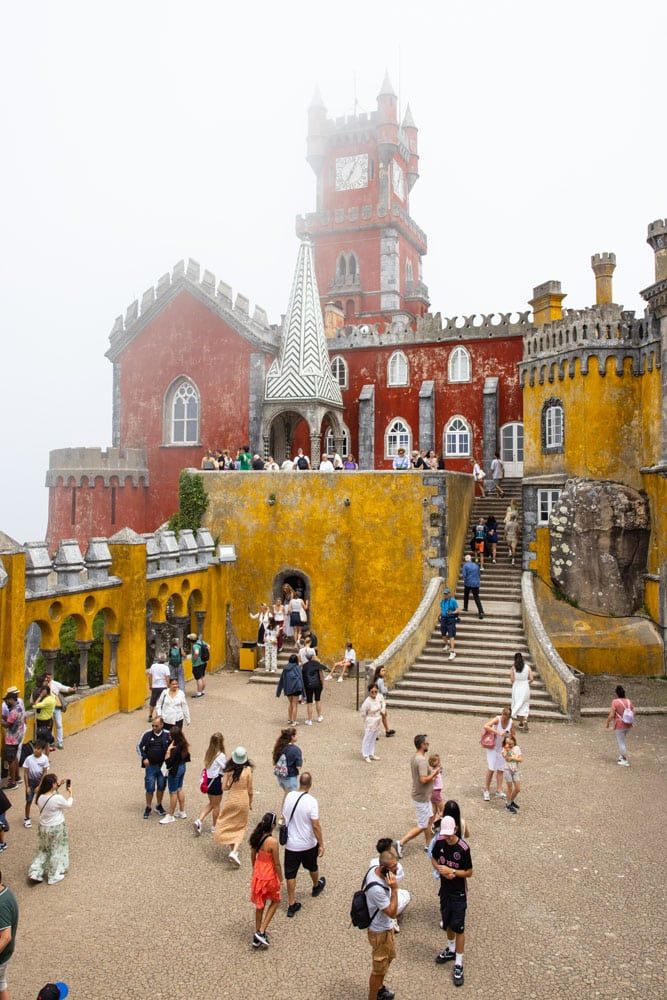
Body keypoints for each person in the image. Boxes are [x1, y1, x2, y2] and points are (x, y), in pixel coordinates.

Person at [431, 815, 474, 988]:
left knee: (459, 927)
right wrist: (440, 870)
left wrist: (453, 872)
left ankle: (459, 962)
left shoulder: (463, 848)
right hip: (445, 892)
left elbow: (469, 872)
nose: (447, 837)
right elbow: (433, 859)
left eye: (449, 834)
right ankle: (450, 949)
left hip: (458, 893)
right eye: (444, 833)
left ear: (455, 830)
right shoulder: (439, 842)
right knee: (447, 923)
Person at [282, 772, 325, 917]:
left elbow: (285, 815)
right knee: (312, 866)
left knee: (290, 873)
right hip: (307, 843)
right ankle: (315, 885)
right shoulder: (312, 801)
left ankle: (292, 902)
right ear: (310, 784)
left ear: (300, 782)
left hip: (291, 843)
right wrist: (321, 843)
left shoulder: (289, 796)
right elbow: (315, 825)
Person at [394, 735, 440, 857]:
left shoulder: (415, 757)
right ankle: (401, 842)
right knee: (422, 825)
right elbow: (423, 779)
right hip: (422, 798)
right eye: (426, 743)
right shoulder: (422, 761)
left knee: (430, 817)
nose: (428, 744)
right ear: (422, 745)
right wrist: (434, 773)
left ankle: (428, 843)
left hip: (422, 796)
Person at [363, 849, 399, 1000]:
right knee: (378, 969)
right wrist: (395, 889)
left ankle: (380, 988)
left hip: (385, 928)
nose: (397, 870)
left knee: (387, 960)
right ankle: (373, 996)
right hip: (379, 932)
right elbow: (392, 912)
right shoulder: (376, 889)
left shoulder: (374, 869)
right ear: (384, 869)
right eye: (393, 868)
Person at [28, 773, 74, 885]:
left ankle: (35, 871)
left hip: (43, 827)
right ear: (52, 784)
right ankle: (53, 875)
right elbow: (68, 805)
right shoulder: (57, 798)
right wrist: (71, 793)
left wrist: (58, 786)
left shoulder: (39, 797)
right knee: (56, 850)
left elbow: (49, 793)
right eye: (55, 782)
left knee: (43, 849)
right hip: (56, 827)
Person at [214, 747, 254, 867]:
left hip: (232, 798)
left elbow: (224, 787)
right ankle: (234, 851)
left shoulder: (228, 770)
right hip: (243, 799)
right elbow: (250, 790)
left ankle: (233, 851)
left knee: (228, 823)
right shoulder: (248, 770)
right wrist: (251, 802)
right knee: (241, 826)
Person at [249, 811, 283, 949]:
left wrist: (254, 869)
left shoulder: (256, 837)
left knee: (260, 904)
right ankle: (262, 930)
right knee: (275, 901)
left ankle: (257, 933)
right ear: (273, 825)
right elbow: (276, 863)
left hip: (258, 874)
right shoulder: (272, 842)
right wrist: (280, 877)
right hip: (269, 876)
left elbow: (252, 855)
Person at [370, 838, 410, 926]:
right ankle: (393, 919)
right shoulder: (397, 866)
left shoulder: (373, 862)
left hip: (373, 902)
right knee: (406, 895)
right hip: (386, 900)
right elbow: (395, 882)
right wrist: (394, 889)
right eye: (392, 847)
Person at [138, 716, 170, 819]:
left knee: (161, 786)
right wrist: (144, 758)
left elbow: (173, 747)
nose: (154, 727)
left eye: (156, 725)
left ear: (161, 725)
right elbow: (138, 746)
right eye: (153, 725)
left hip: (163, 767)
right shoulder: (147, 734)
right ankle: (148, 807)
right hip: (151, 766)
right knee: (150, 787)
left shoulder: (167, 734)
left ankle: (159, 805)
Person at [195, 732, 227, 835]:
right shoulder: (221, 755)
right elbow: (225, 768)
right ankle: (214, 826)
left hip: (208, 781)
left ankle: (199, 820)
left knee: (211, 803)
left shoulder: (209, 753)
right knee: (216, 805)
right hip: (216, 781)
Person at [481, 707, 515, 800]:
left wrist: (507, 735)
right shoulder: (497, 719)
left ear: (509, 716)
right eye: (503, 714)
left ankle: (499, 790)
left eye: (506, 716)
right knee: (491, 768)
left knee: (500, 769)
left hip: (502, 748)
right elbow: (486, 726)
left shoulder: (511, 722)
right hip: (492, 746)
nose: (503, 717)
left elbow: (513, 734)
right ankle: (486, 790)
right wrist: (498, 732)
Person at [159, 727, 191, 824]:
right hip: (182, 767)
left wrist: (168, 751)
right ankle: (181, 811)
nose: (168, 736)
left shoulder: (175, 747)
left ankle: (170, 815)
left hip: (175, 770)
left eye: (170, 735)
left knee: (172, 792)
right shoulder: (183, 744)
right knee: (179, 788)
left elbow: (168, 762)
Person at [43, 672, 76, 750]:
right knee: (49, 726)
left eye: (49, 677)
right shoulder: (43, 685)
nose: (48, 678)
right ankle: (51, 742)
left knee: (59, 724)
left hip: (56, 707)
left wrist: (71, 689)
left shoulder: (55, 684)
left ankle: (60, 742)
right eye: (47, 677)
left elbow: (63, 688)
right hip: (48, 708)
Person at [22, 739, 50, 828]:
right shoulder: (28, 759)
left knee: (43, 801)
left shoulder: (45, 758)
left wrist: (40, 785)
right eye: (35, 748)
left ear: (42, 750)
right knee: (29, 800)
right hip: (31, 782)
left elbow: (45, 773)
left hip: (40, 782)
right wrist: (27, 787)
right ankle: (27, 818)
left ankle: (44, 818)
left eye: (38, 749)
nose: (35, 750)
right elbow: (25, 773)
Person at [1, 689, 25, 789]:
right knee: (14, 758)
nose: (6, 702)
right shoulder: (20, 706)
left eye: (7, 700)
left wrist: (1, 721)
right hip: (18, 737)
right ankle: (17, 777)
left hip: (11, 739)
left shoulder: (14, 711)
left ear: (11, 699)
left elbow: (7, 725)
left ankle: (12, 782)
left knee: (11, 760)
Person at [605, 685, 635, 766]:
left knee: (621, 742)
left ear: (617, 694)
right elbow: (633, 711)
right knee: (622, 740)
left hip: (619, 725)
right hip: (628, 724)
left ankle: (624, 759)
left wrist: (607, 723)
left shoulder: (615, 702)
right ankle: (622, 756)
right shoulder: (628, 701)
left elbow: (611, 715)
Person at [0, 870, 19, 1000]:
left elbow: (6, 936)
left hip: (1, 956)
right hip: (5, 955)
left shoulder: (1, 904)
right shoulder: (6, 892)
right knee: (1, 984)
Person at [272, 727, 303, 804]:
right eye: (295, 735)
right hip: (290, 777)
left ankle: (284, 813)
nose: (297, 736)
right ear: (292, 737)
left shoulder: (279, 747)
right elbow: (298, 767)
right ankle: (286, 814)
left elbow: (274, 761)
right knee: (292, 798)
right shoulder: (296, 750)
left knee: (287, 794)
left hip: (280, 776)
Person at [275, 654, 305, 725]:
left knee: (291, 703)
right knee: (295, 704)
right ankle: (294, 721)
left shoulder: (285, 668)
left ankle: (289, 719)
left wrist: (278, 692)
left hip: (288, 688)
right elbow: (301, 678)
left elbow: (282, 679)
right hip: (296, 688)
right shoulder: (297, 667)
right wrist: (304, 693)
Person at [360, 683, 384, 762]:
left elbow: (382, 704)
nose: (374, 693)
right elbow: (363, 712)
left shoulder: (378, 699)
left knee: (373, 737)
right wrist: (366, 720)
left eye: (375, 691)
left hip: (377, 720)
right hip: (370, 721)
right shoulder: (367, 701)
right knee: (368, 737)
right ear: (369, 692)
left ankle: (371, 753)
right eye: (372, 692)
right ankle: (366, 754)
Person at [510, 652, 533, 730]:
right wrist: (526, 683)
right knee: (525, 704)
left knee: (517, 703)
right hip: (525, 687)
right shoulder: (528, 667)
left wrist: (517, 682)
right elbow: (532, 679)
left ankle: (521, 722)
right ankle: (525, 720)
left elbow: (512, 680)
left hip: (517, 687)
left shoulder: (513, 668)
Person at [302, 649, 325, 725]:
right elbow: (321, 674)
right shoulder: (317, 663)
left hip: (308, 685)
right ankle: (319, 717)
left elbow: (303, 677)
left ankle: (309, 720)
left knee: (309, 702)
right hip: (318, 684)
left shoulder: (304, 665)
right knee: (318, 700)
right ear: (312, 657)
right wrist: (323, 684)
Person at [372, 665, 396, 737]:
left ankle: (387, 730)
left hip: (377, 699)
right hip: (380, 699)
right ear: (378, 672)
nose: (384, 672)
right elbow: (382, 690)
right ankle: (379, 732)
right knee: (381, 715)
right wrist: (386, 689)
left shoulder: (376, 679)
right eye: (382, 671)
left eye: (384, 670)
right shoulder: (380, 680)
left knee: (383, 715)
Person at [501, 734, 523, 813]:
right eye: (507, 743)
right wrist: (507, 750)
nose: (509, 744)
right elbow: (507, 759)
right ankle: (508, 805)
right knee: (509, 788)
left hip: (515, 770)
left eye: (510, 742)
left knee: (517, 788)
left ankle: (511, 801)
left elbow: (521, 759)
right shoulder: (504, 750)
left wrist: (514, 758)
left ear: (514, 741)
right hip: (507, 770)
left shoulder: (517, 748)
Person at [146, 654, 170, 722]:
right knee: (161, 702)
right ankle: (159, 716)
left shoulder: (153, 666)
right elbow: (167, 678)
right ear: (165, 659)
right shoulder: (166, 667)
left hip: (155, 687)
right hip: (163, 687)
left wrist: (150, 685)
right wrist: (168, 686)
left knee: (152, 702)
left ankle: (150, 715)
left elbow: (150, 676)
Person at [462, 554, 484, 620]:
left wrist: (465, 580)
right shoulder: (476, 565)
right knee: (476, 597)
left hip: (468, 583)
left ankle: (465, 607)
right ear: (471, 559)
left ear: (465, 560)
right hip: (476, 584)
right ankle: (481, 612)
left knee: (466, 595)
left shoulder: (465, 565)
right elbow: (479, 574)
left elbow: (464, 575)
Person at [440, 587, 460, 661]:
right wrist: (440, 616)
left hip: (451, 619)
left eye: (446, 594)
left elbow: (458, 610)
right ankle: (447, 645)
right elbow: (442, 609)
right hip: (443, 619)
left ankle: (452, 651)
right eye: (444, 594)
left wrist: (452, 612)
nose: (445, 595)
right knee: (443, 634)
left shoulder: (453, 601)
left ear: (449, 594)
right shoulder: (442, 602)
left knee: (451, 635)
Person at [188, 633, 208, 698]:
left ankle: (199, 693)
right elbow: (208, 646)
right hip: (204, 662)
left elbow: (196, 653)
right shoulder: (201, 642)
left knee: (198, 678)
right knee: (202, 676)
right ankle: (202, 691)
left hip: (197, 664)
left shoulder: (195, 646)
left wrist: (194, 659)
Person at [429, 753, 444, 822]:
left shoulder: (433, 770)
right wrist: (435, 775)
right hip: (436, 792)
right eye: (438, 761)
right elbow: (432, 779)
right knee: (442, 809)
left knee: (434, 810)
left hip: (433, 792)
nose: (439, 763)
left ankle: (432, 822)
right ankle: (440, 821)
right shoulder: (435, 771)